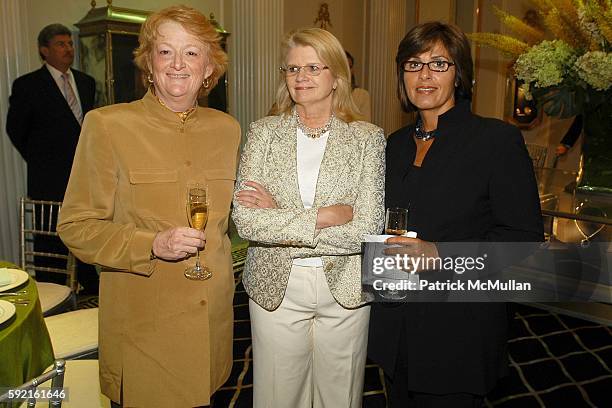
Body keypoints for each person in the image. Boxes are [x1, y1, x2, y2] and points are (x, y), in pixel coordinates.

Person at [57, 6, 240, 407]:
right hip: (146, 329)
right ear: (149, 64)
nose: (178, 64)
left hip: (213, 325)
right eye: (165, 52)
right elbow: (76, 226)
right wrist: (151, 244)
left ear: (209, 66)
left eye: (192, 53)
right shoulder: (107, 125)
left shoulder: (227, 129)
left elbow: (228, 220)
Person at [367, 22, 543, 407]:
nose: (425, 75)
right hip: (396, 322)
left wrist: (441, 253)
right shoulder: (392, 145)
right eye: (413, 64)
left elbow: (523, 238)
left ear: (460, 73)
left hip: (458, 326)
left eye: (439, 64)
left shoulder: (496, 140)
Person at [232, 28, 385, 408]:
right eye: (293, 68)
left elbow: (366, 230)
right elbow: (247, 223)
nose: (301, 77)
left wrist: (281, 217)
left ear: (337, 76)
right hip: (276, 284)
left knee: (341, 395)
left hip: (347, 286)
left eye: (314, 67)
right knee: (277, 395)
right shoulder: (263, 132)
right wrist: (327, 215)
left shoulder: (367, 138)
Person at [6, 23, 98, 292]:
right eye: (61, 44)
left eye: (70, 43)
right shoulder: (28, 85)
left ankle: (89, 284)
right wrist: (42, 160)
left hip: (83, 176)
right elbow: (16, 130)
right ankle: (54, 293)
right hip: (47, 178)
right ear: (43, 50)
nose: (68, 49)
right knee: (51, 240)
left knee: (83, 229)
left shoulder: (85, 82)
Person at [345, 50, 372, 122]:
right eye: (344, 67)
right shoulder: (326, 95)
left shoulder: (362, 95)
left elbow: (366, 126)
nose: (347, 71)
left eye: (350, 67)